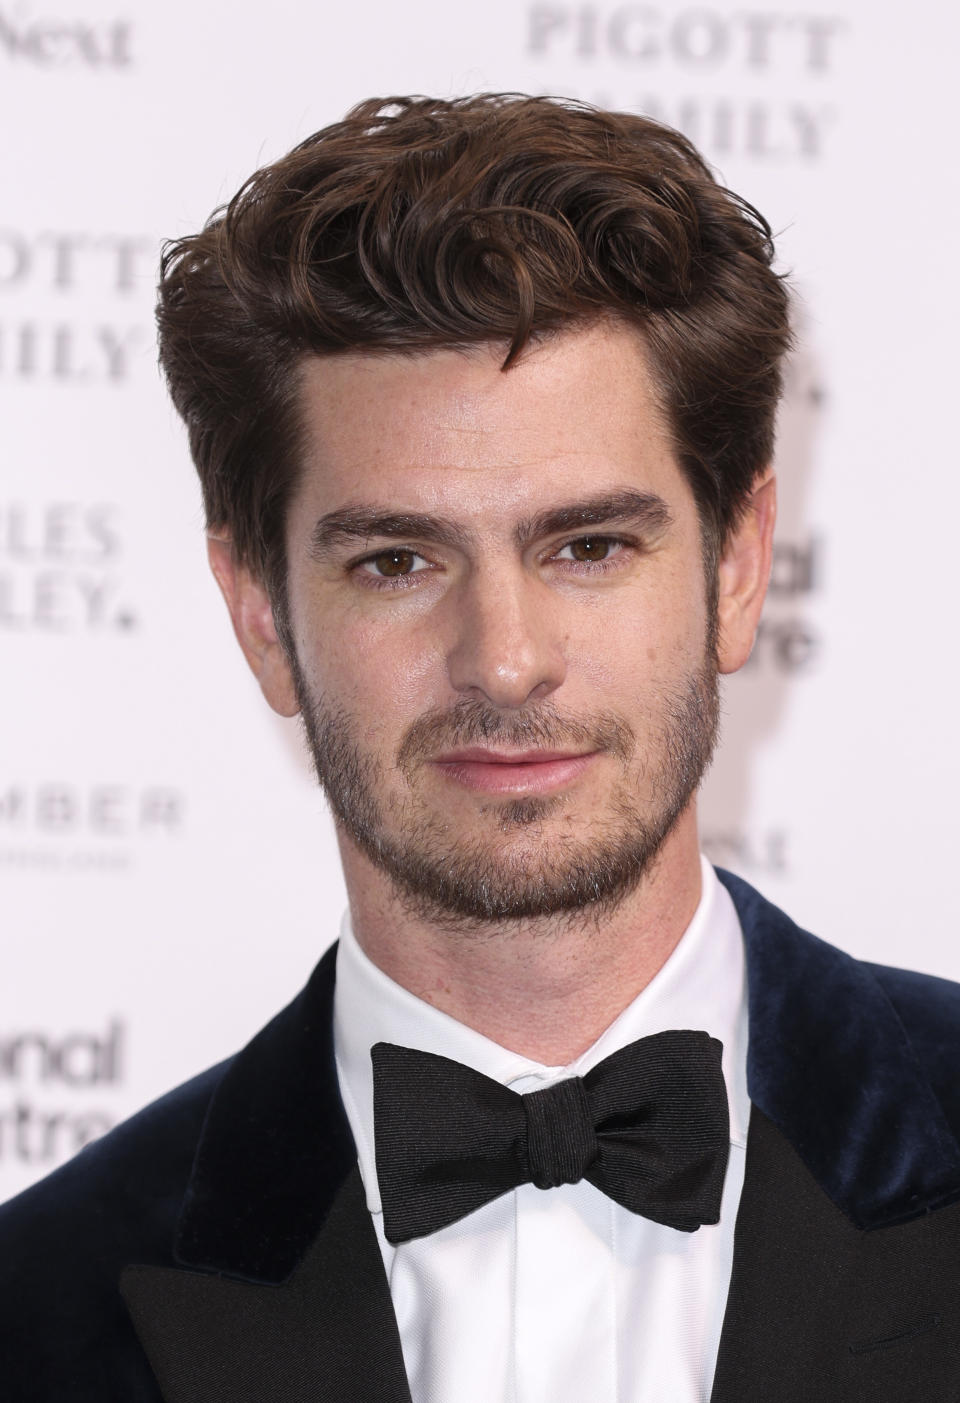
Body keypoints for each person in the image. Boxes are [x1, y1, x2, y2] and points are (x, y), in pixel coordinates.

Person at [2, 93, 959, 1403]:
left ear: (739, 569)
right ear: (263, 618)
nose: (503, 659)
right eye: (398, 561)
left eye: (588, 547)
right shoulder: (40, 1308)